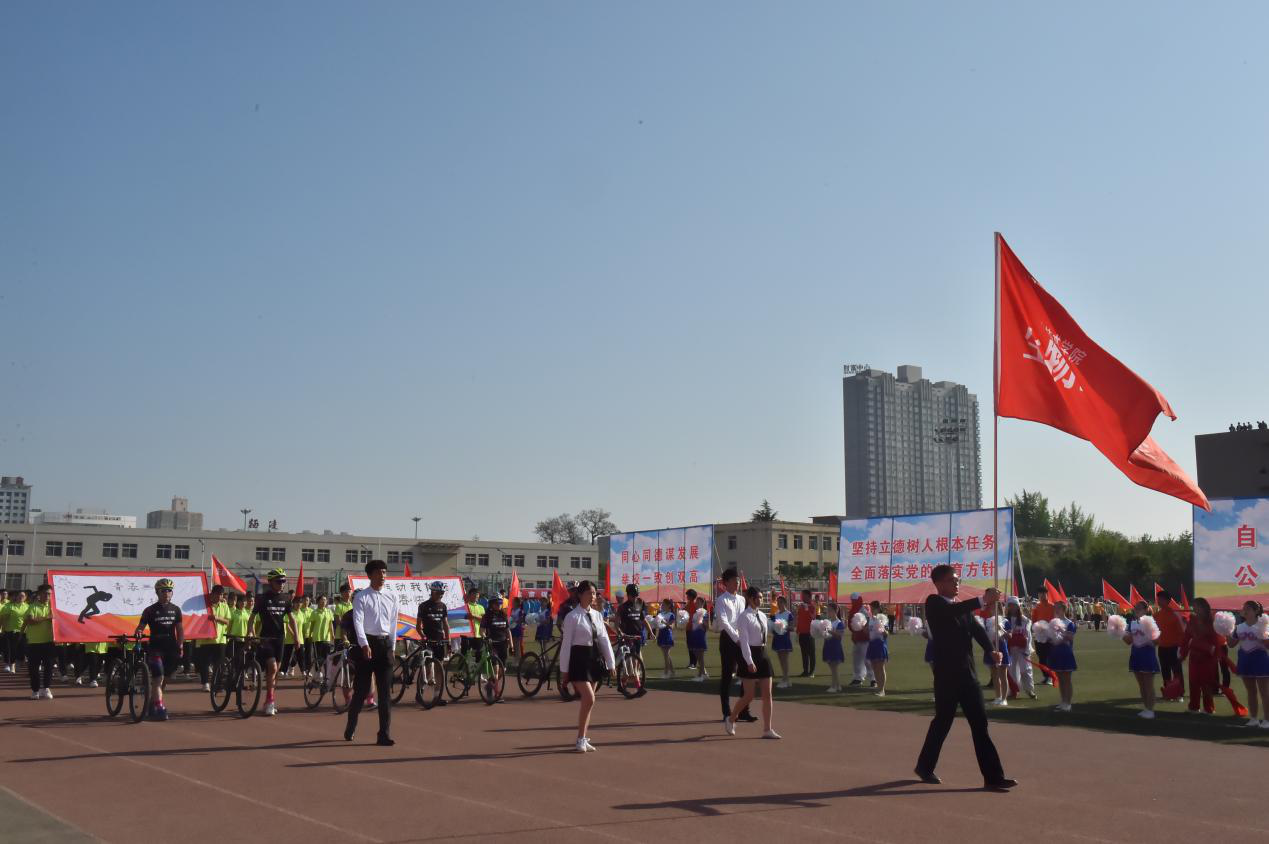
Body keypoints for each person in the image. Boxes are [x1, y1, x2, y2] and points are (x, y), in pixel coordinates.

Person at [914, 565, 1014, 791]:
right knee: (943, 722)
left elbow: (977, 630)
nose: (957, 583)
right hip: (946, 676)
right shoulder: (935, 603)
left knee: (980, 724)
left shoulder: (961, 608)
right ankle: (925, 766)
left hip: (968, 674)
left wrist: (991, 650)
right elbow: (952, 612)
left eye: (958, 579)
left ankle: (993, 777)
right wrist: (982, 599)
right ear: (939, 584)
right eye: (952, 580)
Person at [344, 559, 399, 746]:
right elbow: (358, 622)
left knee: (385, 694)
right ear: (369, 575)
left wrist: (392, 647)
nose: (382, 575)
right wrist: (364, 644)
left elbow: (393, 623)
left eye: (384, 572)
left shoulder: (392, 596)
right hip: (366, 647)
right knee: (361, 691)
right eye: (378, 572)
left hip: (385, 646)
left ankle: (384, 734)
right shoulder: (362, 597)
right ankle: (351, 726)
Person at [559, 580, 616, 752]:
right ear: (580, 595)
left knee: (588, 702)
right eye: (589, 593)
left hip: (594, 659)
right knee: (589, 698)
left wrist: (611, 663)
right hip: (578, 660)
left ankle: (582, 738)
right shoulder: (572, 617)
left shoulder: (597, 615)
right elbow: (566, 645)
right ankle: (580, 740)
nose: (592, 596)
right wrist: (564, 670)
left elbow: (604, 640)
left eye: (594, 593)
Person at [724, 586, 780, 739]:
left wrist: (778, 626)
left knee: (767, 694)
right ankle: (731, 718)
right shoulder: (744, 617)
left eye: (762, 597)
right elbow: (744, 641)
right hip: (749, 654)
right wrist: (749, 661)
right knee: (749, 695)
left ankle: (767, 729)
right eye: (758, 597)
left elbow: (765, 632)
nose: (761, 600)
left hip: (763, 654)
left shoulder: (762, 615)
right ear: (750, 598)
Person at [248, 568, 300, 717]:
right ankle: (270, 701)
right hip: (266, 639)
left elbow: (292, 619)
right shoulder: (262, 598)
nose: (282, 583)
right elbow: (252, 618)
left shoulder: (286, 598)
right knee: (273, 667)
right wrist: (250, 633)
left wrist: (296, 637)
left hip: (280, 639)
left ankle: (269, 699)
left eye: (284, 581)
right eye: (279, 581)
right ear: (270, 582)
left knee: (275, 672)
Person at [134, 578, 185, 721]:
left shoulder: (176, 610)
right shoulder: (149, 610)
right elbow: (140, 627)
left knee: (165, 679)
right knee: (158, 678)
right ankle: (159, 707)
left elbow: (180, 630)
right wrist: (139, 632)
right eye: (163, 591)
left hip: (171, 648)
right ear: (157, 592)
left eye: (169, 591)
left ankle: (153, 703)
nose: (167, 593)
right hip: (155, 648)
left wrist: (180, 645)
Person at [715, 569, 756, 723]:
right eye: (734, 580)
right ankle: (726, 712)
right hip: (728, 639)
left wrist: (745, 636)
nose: (737, 583)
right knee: (727, 675)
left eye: (738, 581)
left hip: (742, 638)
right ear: (726, 583)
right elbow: (724, 622)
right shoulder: (721, 600)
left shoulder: (742, 599)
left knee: (746, 674)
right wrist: (736, 638)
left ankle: (744, 710)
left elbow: (745, 618)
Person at [1232, 600, 1269, 728]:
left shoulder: (1264, 625)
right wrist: (1226, 632)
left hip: (1260, 660)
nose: (1245, 611)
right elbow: (1231, 644)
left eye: (1248, 608)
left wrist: (1263, 636)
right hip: (1245, 660)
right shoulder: (1239, 627)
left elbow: (1268, 646)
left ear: (1256, 611)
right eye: (1244, 608)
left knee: (1264, 692)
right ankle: (1254, 718)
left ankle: (1267, 720)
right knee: (1251, 691)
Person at [1123, 600, 1161, 719]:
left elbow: (1157, 642)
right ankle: (1146, 708)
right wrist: (1120, 632)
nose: (1136, 610)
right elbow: (1128, 641)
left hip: (1147, 655)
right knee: (1142, 685)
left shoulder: (1151, 622)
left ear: (1145, 610)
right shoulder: (1132, 623)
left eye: (1139, 608)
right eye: (1135, 608)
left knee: (1148, 685)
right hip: (1136, 655)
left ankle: (1151, 710)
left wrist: (1149, 634)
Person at [416, 581, 451, 706]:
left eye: (442, 593)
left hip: (439, 640)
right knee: (426, 669)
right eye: (439, 593)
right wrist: (423, 637)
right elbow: (418, 626)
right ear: (432, 592)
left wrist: (448, 640)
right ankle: (420, 692)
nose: (441, 595)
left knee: (439, 669)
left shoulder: (443, 606)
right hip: (428, 640)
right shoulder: (423, 606)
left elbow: (445, 624)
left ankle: (437, 696)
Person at [616, 584, 654, 695]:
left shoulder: (638, 605)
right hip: (627, 639)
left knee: (637, 664)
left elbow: (643, 620)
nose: (635, 598)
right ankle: (639, 687)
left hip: (637, 638)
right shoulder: (622, 607)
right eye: (633, 596)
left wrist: (651, 632)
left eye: (636, 595)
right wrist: (620, 632)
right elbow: (617, 622)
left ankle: (622, 684)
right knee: (631, 666)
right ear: (628, 595)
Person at [195, 585, 231, 692]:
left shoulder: (224, 606)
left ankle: (218, 684)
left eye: (221, 594)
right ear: (212, 594)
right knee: (205, 663)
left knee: (219, 663)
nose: (219, 596)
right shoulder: (203, 605)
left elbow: (228, 621)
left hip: (220, 639)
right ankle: (205, 683)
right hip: (205, 639)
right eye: (217, 594)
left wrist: (217, 618)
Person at [23, 585, 56, 700]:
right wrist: (47, 617)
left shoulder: (53, 607)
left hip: (49, 641)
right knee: (34, 668)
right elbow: (30, 620)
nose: (47, 596)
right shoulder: (32, 606)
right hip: (34, 642)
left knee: (49, 667)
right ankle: (35, 690)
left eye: (49, 594)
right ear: (39, 594)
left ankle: (46, 688)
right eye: (45, 593)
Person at [1154, 593, 1187, 699]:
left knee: (1177, 671)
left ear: (1168, 601)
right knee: (1165, 671)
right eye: (1158, 599)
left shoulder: (1175, 615)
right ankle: (1168, 692)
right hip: (1162, 648)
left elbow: (1182, 633)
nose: (1159, 601)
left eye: (1161, 599)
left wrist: (1181, 649)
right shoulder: (1156, 615)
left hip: (1174, 648)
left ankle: (1180, 692)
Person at [1048, 601, 1077, 712]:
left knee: (1067, 679)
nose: (1056, 610)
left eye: (1058, 608)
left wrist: (1061, 630)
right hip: (1056, 652)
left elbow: (1070, 638)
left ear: (1064, 610)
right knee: (1060, 678)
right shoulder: (1053, 622)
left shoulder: (1069, 623)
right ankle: (1063, 701)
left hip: (1066, 652)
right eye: (1055, 608)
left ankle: (1068, 703)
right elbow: (1050, 638)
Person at [1004, 599, 1035, 699]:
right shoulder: (1005, 620)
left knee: (1025, 670)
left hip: (1022, 649)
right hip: (1010, 649)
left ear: (1018, 606)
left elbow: (1028, 635)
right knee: (1011, 670)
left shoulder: (1025, 620)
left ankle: (1029, 690)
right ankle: (1013, 690)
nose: (1012, 607)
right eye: (1010, 605)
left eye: (1014, 605)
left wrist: (1027, 649)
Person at [482, 595, 510, 699]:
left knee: (503, 670)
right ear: (491, 604)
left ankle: (490, 685)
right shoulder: (487, 616)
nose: (498, 605)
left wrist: (511, 645)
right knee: (496, 670)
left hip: (503, 644)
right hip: (492, 645)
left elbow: (508, 631)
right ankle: (496, 695)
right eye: (496, 603)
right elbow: (482, 630)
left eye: (500, 603)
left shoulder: (503, 615)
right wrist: (485, 637)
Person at [984, 614, 1009, 706]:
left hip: (1002, 648)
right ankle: (998, 697)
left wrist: (1001, 629)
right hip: (991, 649)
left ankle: (1004, 699)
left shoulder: (1005, 621)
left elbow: (1009, 636)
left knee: (1003, 675)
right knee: (994, 675)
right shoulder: (987, 621)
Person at [1030, 592, 1055, 683]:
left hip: (1049, 634)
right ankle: (1046, 676)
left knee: (1048, 656)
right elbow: (1033, 619)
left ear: (1046, 595)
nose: (1041, 596)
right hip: (1039, 634)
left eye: (1043, 594)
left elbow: (1055, 620)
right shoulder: (1037, 606)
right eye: (1040, 595)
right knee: (1040, 656)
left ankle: (1050, 676)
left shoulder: (1052, 606)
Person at [1, 590, 28, 672]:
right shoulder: (10, 606)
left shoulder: (27, 606)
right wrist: (3, 629)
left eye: (23, 596)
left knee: (22, 649)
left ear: (25, 598)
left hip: (23, 631)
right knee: (12, 649)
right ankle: (12, 664)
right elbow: (4, 619)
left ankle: (19, 661)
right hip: (11, 630)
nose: (21, 597)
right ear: (16, 597)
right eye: (19, 595)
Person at [307, 595, 335, 674]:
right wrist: (310, 635)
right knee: (318, 657)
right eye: (322, 600)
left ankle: (326, 673)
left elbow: (330, 624)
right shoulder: (314, 612)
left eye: (325, 600)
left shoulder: (329, 612)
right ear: (318, 601)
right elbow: (312, 625)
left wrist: (332, 634)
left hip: (326, 638)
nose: (323, 602)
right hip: (317, 638)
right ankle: (318, 672)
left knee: (326, 657)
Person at [771, 595, 794, 688]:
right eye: (778, 602)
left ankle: (786, 679)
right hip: (777, 638)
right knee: (780, 659)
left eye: (780, 602)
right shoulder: (776, 614)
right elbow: (773, 626)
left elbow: (792, 627)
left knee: (784, 659)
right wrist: (773, 627)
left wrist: (783, 626)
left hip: (785, 638)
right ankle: (785, 679)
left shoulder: (789, 614)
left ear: (784, 603)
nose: (779, 604)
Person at [867, 607, 890, 697]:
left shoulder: (882, 619)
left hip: (880, 644)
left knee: (880, 667)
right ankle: (878, 688)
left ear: (878, 609)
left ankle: (882, 690)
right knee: (874, 668)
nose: (872, 610)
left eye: (874, 608)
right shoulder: (870, 620)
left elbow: (886, 634)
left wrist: (882, 629)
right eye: (871, 608)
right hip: (872, 644)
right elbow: (868, 632)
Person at [822, 603, 846, 692]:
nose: (828, 612)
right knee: (832, 667)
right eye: (827, 611)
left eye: (830, 610)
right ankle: (838, 685)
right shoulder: (827, 621)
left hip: (835, 646)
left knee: (834, 667)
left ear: (836, 611)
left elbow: (839, 636)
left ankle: (834, 686)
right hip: (828, 645)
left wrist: (830, 631)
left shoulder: (839, 623)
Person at [795, 589, 817, 678]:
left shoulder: (812, 606)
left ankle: (811, 672)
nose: (802, 597)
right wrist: (797, 631)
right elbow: (799, 619)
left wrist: (807, 609)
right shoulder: (801, 606)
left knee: (811, 653)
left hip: (810, 633)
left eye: (803, 595)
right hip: (802, 634)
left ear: (808, 596)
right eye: (802, 595)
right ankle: (805, 671)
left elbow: (813, 618)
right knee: (804, 653)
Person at [687, 599, 709, 682]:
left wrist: (702, 623)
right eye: (696, 602)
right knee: (697, 654)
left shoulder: (704, 612)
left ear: (702, 603)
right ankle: (704, 673)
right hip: (694, 633)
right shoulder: (695, 613)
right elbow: (693, 624)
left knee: (700, 656)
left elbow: (706, 625)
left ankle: (700, 675)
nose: (696, 603)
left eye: (698, 602)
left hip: (700, 634)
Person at [656, 599, 676, 678]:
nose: (662, 606)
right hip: (661, 635)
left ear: (668, 605)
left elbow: (671, 627)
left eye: (664, 604)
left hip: (667, 635)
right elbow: (658, 624)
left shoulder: (671, 615)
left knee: (666, 655)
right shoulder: (661, 614)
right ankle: (672, 671)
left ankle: (666, 672)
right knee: (667, 655)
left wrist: (664, 622)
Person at [509, 597, 526, 662]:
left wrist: (514, 620)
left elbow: (521, 620)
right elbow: (510, 618)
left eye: (513, 601)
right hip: (512, 628)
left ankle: (518, 660)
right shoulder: (512, 610)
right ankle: (515, 659)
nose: (512, 603)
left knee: (517, 645)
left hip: (518, 628)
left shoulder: (520, 610)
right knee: (513, 644)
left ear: (517, 603)